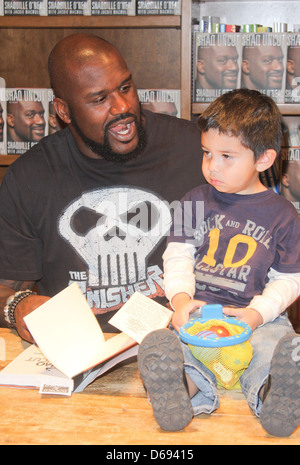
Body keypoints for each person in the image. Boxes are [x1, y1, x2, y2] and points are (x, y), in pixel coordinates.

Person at [0, 33, 205, 343]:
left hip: (190, 344)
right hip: (82, 352)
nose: (122, 107)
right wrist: (17, 306)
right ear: (64, 111)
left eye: (125, 87)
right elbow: (6, 286)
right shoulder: (30, 177)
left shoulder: (197, 151)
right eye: (99, 99)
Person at [138, 89, 300, 437]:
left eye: (227, 156)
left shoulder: (283, 215)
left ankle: (275, 396)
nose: (212, 165)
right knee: (181, 350)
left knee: (271, 351)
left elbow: (289, 279)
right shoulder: (193, 201)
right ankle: (179, 391)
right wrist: (180, 300)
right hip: (200, 314)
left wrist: (259, 313)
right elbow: (177, 256)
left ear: (264, 159)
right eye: (207, 153)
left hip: (257, 319)